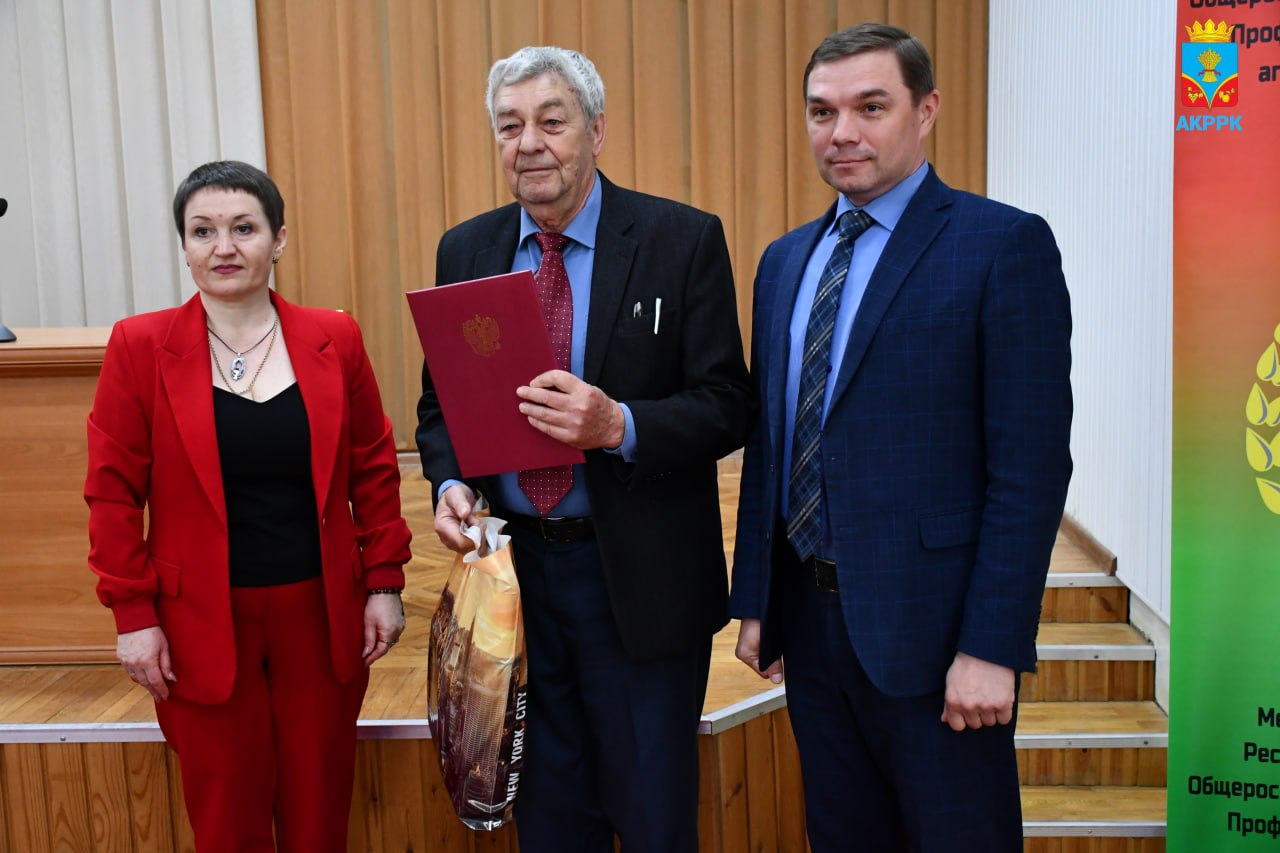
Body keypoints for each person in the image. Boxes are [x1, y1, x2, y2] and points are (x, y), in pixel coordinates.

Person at [729, 23, 1073, 853]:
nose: (841, 131)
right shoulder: (784, 262)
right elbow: (772, 442)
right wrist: (759, 601)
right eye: (822, 111)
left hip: (938, 641)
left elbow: (1029, 471)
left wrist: (992, 646)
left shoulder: (1002, 245)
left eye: (870, 107)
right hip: (812, 631)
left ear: (926, 111)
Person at [416, 46, 753, 853]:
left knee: (654, 817)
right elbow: (439, 406)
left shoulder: (681, 239)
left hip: (637, 582)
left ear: (596, 131)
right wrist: (449, 482)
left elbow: (728, 406)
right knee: (550, 820)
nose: (529, 143)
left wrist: (619, 425)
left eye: (551, 121)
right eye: (509, 126)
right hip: (515, 583)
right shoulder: (465, 250)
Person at [85, 160, 412, 852]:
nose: (223, 247)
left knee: (318, 814)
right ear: (184, 246)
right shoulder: (139, 346)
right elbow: (112, 494)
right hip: (199, 622)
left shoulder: (335, 338)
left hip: (319, 616)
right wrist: (133, 616)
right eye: (202, 231)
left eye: (243, 228)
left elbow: (374, 468)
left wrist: (384, 582)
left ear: (279, 238)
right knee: (227, 820)